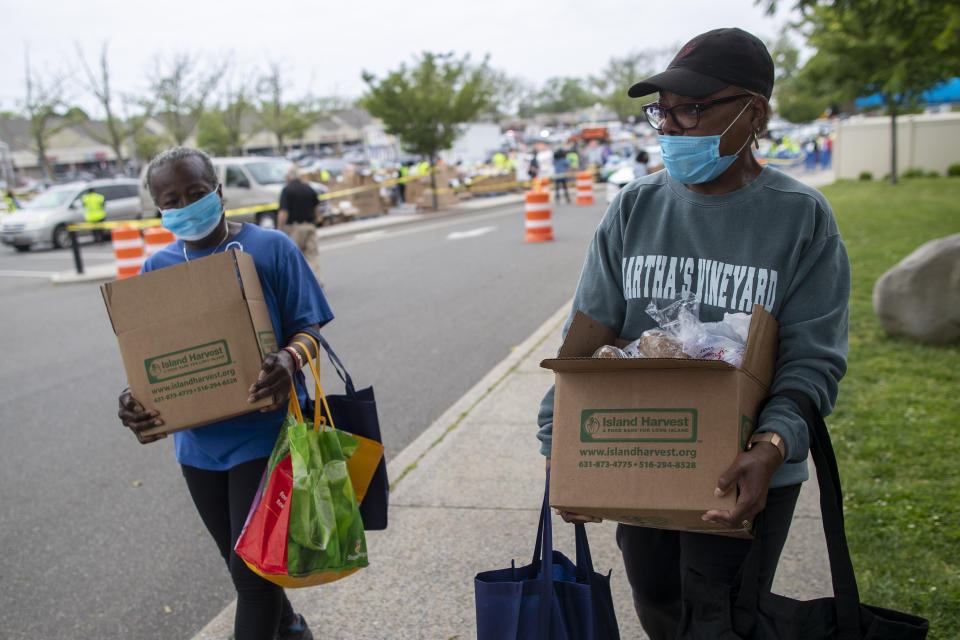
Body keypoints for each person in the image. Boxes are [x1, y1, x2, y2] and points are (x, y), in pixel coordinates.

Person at [536, 27, 850, 640]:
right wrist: (561, 449)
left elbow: (812, 359)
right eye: (663, 110)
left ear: (753, 113)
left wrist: (771, 447)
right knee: (657, 602)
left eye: (693, 108)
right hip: (642, 450)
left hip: (744, 470)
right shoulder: (635, 208)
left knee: (722, 618)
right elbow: (588, 332)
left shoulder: (801, 218)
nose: (672, 126)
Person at [118, 147, 330, 640]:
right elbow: (154, 360)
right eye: (172, 199)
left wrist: (289, 358)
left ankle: (284, 627)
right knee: (236, 560)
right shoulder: (157, 267)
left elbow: (310, 330)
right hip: (197, 445)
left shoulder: (271, 248)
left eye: (196, 192)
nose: (187, 204)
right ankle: (292, 627)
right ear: (159, 209)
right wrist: (132, 399)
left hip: (266, 434)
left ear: (218, 191)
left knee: (250, 575)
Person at [277, 167, 324, 287]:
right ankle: (317, 282)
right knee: (312, 255)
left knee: (294, 258)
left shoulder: (287, 190)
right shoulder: (308, 188)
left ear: (288, 178)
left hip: (295, 228)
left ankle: (298, 285)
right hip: (310, 225)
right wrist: (318, 220)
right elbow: (316, 207)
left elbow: (284, 211)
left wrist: (279, 228)